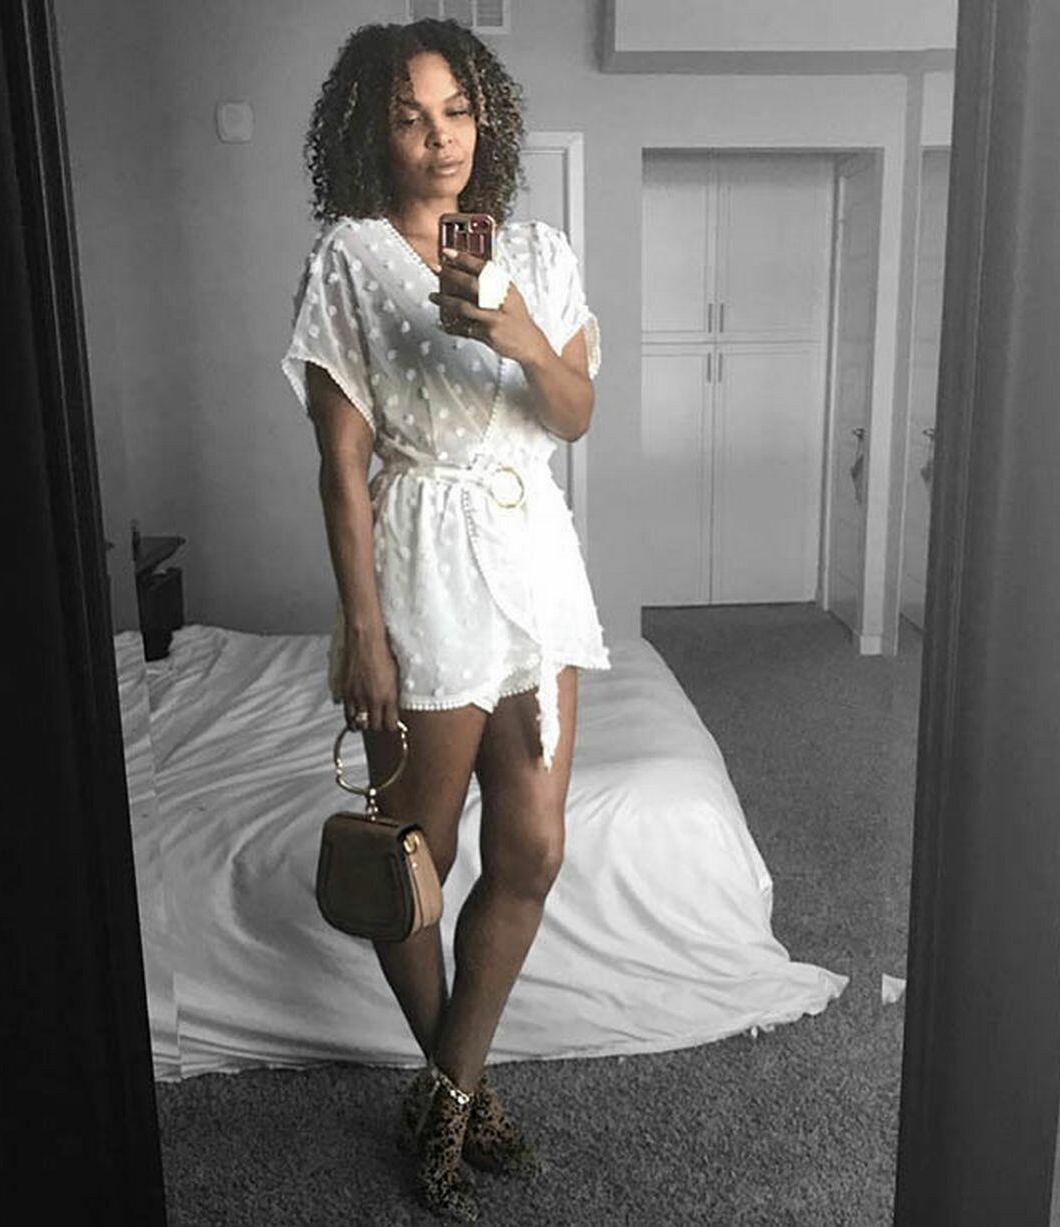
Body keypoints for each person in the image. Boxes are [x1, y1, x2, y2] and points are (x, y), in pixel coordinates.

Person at [280, 18, 610, 1223]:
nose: (438, 139)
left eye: (457, 112)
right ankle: (459, 1088)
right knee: (415, 862)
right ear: (372, 131)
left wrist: (518, 332)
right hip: (421, 561)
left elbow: (572, 413)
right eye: (410, 116)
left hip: (533, 562)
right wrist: (362, 629)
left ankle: (447, 1092)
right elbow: (339, 464)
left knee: (533, 851)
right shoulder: (351, 259)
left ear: (487, 120)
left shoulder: (540, 252)